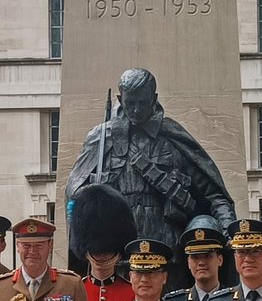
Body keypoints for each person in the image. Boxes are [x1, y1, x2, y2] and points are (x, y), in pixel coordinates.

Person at [65, 68, 236, 253]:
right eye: (130, 103)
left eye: (142, 102)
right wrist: (95, 195)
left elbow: (213, 195)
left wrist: (230, 232)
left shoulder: (173, 137)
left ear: (154, 99)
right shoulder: (101, 138)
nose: (136, 110)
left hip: (168, 250)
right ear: (120, 99)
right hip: (117, 249)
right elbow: (74, 193)